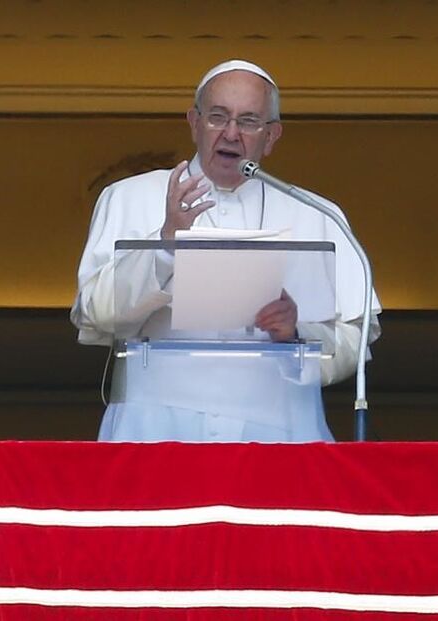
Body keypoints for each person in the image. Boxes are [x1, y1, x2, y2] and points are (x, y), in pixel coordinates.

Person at [71, 59, 381, 442]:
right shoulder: (128, 198)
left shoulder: (318, 215)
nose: (231, 133)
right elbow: (96, 314)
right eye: (218, 117)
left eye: (249, 121)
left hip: (279, 433)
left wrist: (296, 333)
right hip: (153, 428)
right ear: (194, 122)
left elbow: (355, 338)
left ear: (271, 136)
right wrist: (166, 245)